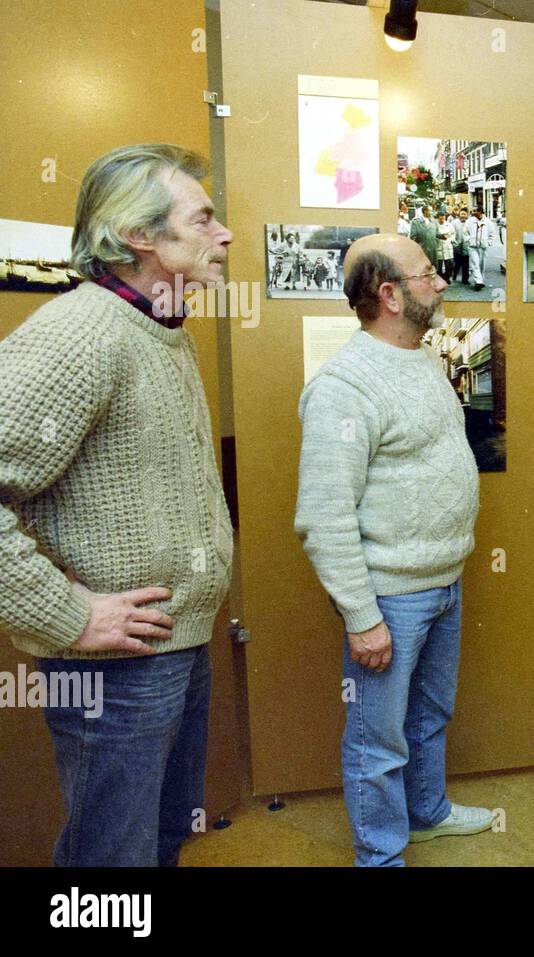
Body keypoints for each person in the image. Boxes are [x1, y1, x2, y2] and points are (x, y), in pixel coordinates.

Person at [0, 143, 234, 866]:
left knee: (159, 842)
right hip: (115, 666)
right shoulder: (80, 335)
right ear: (142, 237)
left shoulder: (164, 334)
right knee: (111, 860)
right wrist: (67, 613)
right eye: (203, 218)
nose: (224, 234)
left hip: (175, 645)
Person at [294, 233, 494, 867]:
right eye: (428, 275)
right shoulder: (344, 387)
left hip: (443, 581)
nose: (440, 284)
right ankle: (379, 857)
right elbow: (323, 516)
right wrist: (362, 616)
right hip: (388, 596)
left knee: (430, 713)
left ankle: (426, 813)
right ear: (389, 295)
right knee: (376, 741)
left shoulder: (422, 360)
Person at [465, 208, 494, 291]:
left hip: (483, 247)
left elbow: (492, 234)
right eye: (472, 211)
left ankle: (480, 281)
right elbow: (465, 233)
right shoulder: (469, 221)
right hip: (473, 247)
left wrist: (489, 243)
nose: (473, 212)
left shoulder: (488, 222)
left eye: (475, 211)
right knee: (475, 263)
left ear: (480, 212)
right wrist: (469, 240)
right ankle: (478, 282)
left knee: (482, 265)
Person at [452, 208, 471, 285]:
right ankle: (454, 274)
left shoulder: (470, 223)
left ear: (467, 215)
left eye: (464, 214)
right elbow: (451, 233)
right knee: (457, 263)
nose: (463, 215)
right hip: (457, 246)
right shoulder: (454, 223)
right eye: (462, 214)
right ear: (459, 214)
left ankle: (465, 279)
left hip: (466, 246)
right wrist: (453, 242)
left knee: (466, 264)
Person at [436, 212, 456, 283]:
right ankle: (440, 280)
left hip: (447, 247)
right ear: (437, 218)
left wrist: (450, 239)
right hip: (438, 247)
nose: (442, 220)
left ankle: (446, 277)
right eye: (440, 219)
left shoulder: (449, 225)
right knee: (438, 266)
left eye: (443, 218)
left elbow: (453, 234)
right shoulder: (435, 225)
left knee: (450, 265)